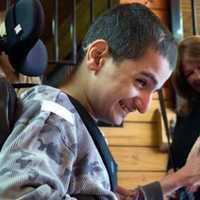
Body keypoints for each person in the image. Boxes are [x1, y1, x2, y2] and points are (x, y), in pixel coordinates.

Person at [1, 3, 200, 200]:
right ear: (97, 57)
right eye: (141, 82)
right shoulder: (56, 113)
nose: (144, 106)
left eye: (154, 92)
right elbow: (17, 193)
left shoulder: (75, 123)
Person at [167, 36, 200, 200]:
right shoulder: (185, 113)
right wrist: (171, 176)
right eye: (189, 73)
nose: (198, 76)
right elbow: (176, 154)